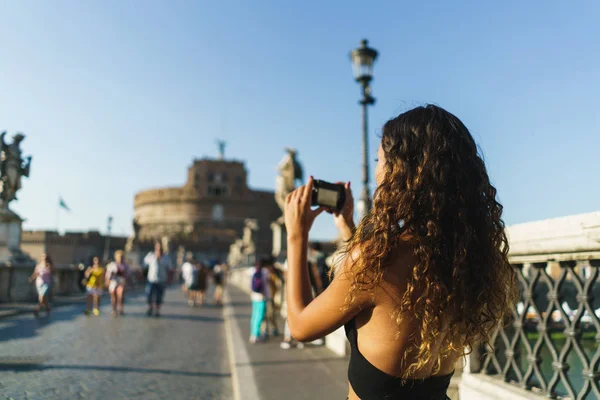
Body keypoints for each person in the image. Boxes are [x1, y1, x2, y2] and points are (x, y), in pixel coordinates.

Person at [283, 105, 518, 400]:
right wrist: (350, 230)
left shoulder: (376, 262)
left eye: (380, 160)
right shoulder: (461, 257)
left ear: (402, 170)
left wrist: (297, 235)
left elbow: (300, 325)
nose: (378, 170)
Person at [143, 242, 173, 317]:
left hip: (161, 280)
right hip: (151, 280)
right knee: (149, 295)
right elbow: (144, 266)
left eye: (160, 247)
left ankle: (157, 310)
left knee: (159, 296)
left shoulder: (166, 258)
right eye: (157, 247)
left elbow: (170, 270)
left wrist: (169, 279)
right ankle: (150, 308)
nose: (158, 249)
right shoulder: (150, 256)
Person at [249, 257, 271, 344]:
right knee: (260, 316)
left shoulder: (252, 270)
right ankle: (255, 335)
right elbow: (268, 282)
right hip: (262, 297)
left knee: (254, 315)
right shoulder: (265, 271)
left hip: (254, 296)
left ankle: (252, 333)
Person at [28, 253, 55, 318]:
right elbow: (35, 273)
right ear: (41, 258)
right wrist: (31, 278)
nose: (44, 258)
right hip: (39, 283)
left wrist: (49, 267)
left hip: (46, 283)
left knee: (42, 297)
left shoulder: (50, 265)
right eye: (43, 256)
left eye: (45, 256)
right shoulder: (38, 265)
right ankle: (47, 308)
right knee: (43, 298)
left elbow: (53, 273)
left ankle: (37, 309)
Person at [105, 250, 130, 316]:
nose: (120, 258)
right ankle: (114, 309)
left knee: (120, 295)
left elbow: (128, 275)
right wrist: (108, 281)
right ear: (115, 257)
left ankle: (121, 308)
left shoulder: (125, 265)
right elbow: (108, 275)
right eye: (119, 257)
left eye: (121, 257)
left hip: (121, 282)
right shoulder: (112, 265)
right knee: (113, 297)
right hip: (113, 283)